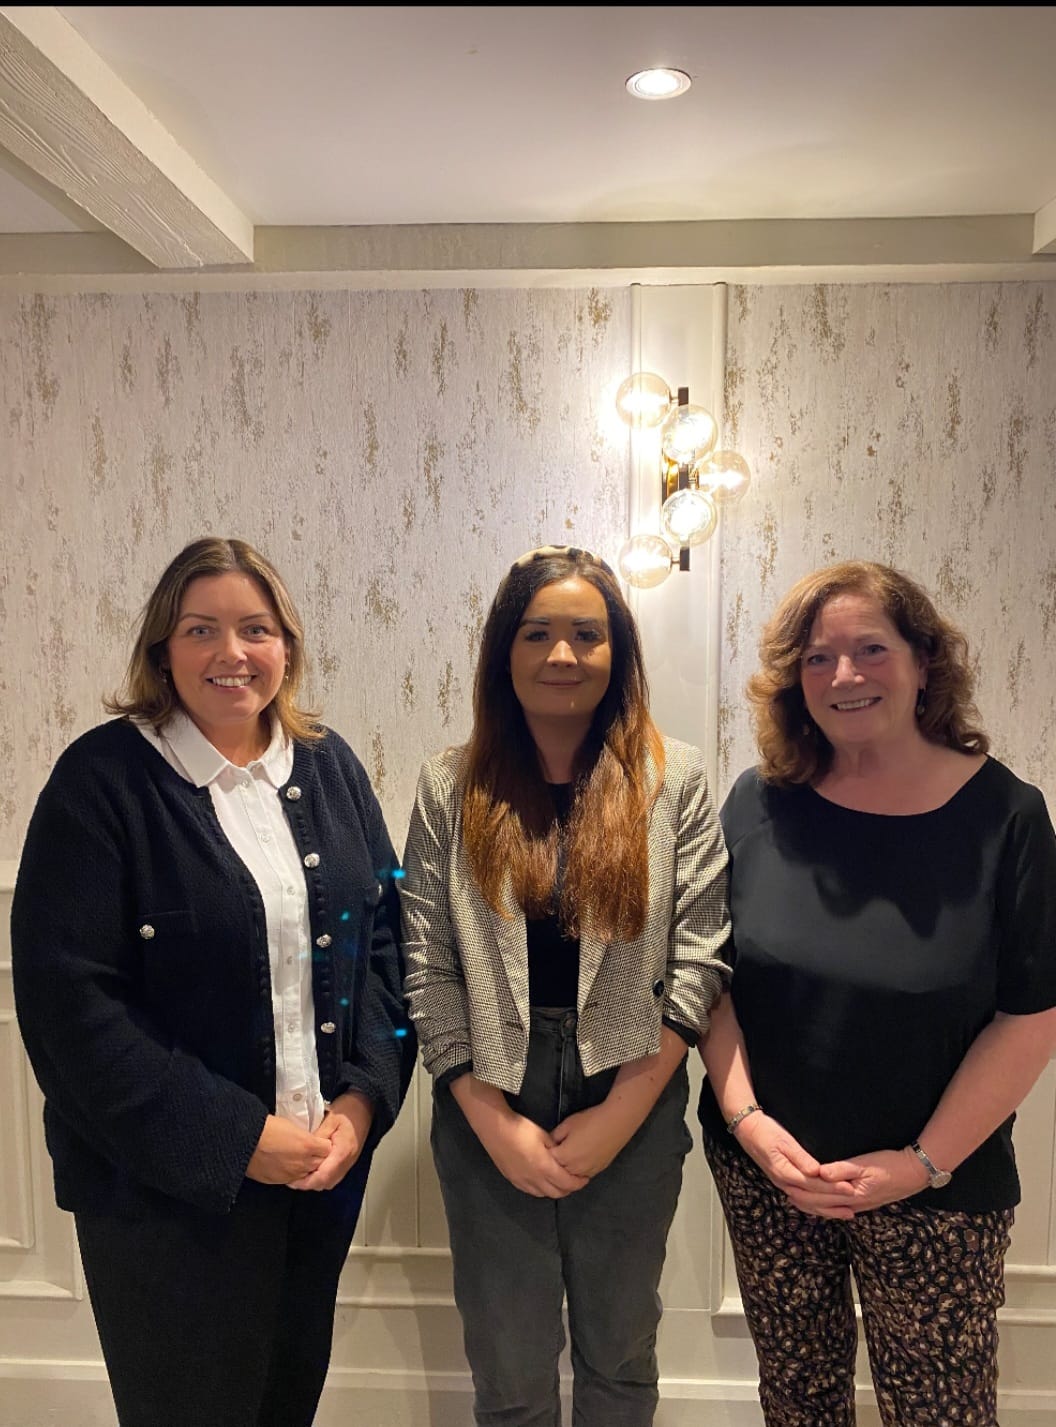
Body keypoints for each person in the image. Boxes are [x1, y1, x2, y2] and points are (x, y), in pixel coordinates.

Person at [11, 536, 416, 1427]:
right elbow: (71, 1009)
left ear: (286, 648)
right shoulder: (101, 781)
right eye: (202, 629)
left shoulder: (333, 767)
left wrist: (362, 1102)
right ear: (164, 648)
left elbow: (387, 949)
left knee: (283, 1405)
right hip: (163, 1202)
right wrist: (238, 1139)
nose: (232, 653)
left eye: (255, 629)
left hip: (317, 1185)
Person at [698, 559, 1056, 1427]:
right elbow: (710, 981)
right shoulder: (757, 802)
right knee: (798, 1400)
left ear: (925, 662)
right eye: (817, 659)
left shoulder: (1007, 816)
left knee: (941, 1409)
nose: (844, 676)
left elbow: (1030, 1014)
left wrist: (921, 1162)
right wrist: (750, 1124)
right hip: (773, 1177)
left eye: (871, 649)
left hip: (937, 1187)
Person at [400, 543, 731, 1427]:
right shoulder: (449, 784)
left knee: (620, 1351)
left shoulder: (677, 779)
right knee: (507, 1368)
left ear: (617, 652)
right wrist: (491, 1120)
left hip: (633, 1076)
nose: (561, 654)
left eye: (587, 634)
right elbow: (427, 965)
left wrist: (625, 1112)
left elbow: (699, 955)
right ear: (503, 652)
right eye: (537, 632)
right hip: (487, 1087)